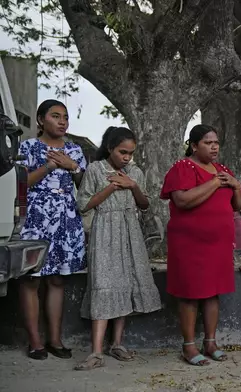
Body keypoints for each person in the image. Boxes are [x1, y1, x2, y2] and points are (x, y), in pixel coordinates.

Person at [75, 127, 162, 370]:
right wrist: (111, 187)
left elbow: (144, 205)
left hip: (129, 231)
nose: (127, 157)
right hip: (104, 230)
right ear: (110, 148)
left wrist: (132, 185)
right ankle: (96, 351)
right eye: (122, 152)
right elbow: (84, 205)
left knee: (125, 282)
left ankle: (117, 343)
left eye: (131, 153)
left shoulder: (135, 172)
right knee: (103, 283)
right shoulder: (95, 169)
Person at [160, 125, 241, 366]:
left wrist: (236, 185)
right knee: (190, 293)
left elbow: (237, 205)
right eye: (207, 142)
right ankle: (188, 346)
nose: (214, 146)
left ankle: (210, 342)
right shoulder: (183, 167)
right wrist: (215, 183)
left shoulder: (223, 170)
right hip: (190, 243)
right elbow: (182, 200)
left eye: (216, 142)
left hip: (218, 244)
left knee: (212, 293)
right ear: (194, 145)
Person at [18, 100, 87, 360]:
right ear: (40, 120)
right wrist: (50, 166)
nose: (62, 121)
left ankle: (55, 340)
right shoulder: (28, 146)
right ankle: (35, 342)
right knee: (31, 279)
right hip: (35, 217)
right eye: (55, 116)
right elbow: (22, 182)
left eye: (65, 117)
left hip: (66, 218)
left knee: (57, 279)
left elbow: (84, 184)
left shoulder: (75, 150)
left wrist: (73, 166)